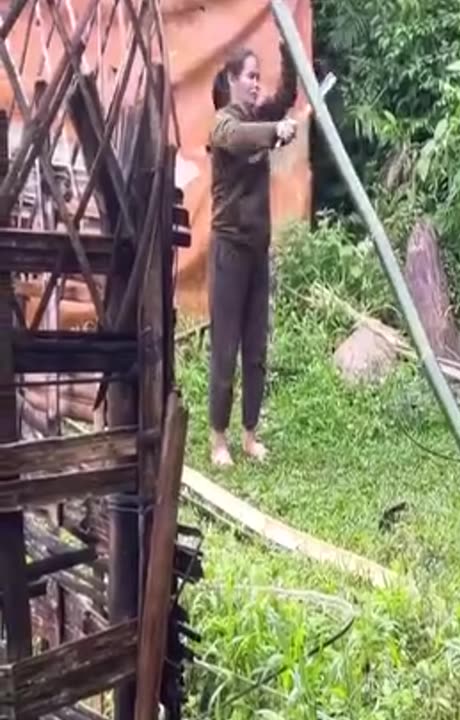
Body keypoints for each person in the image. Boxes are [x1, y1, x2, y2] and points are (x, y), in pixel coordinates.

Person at [205, 41, 298, 467]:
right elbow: (241, 139)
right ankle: (218, 440)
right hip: (228, 250)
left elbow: (285, 101)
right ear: (231, 80)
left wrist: (289, 54)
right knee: (226, 347)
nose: (257, 85)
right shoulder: (222, 124)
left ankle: (248, 435)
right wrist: (275, 131)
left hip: (258, 250)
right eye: (250, 77)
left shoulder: (260, 117)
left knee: (256, 349)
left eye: (259, 76)